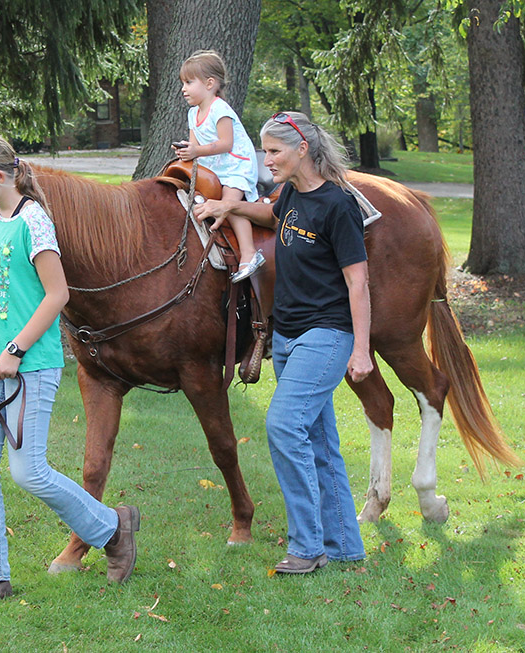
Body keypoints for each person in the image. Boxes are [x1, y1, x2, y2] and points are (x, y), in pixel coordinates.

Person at [0, 133, 139, 599]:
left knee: (29, 472)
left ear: (1, 177)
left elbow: (57, 294)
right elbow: (5, 272)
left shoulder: (35, 222)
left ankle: (112, 529)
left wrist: (17, 349)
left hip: (29, 364)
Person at [193, 112, 372, 574]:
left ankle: (307, 546)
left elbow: (358, 283)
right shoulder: (290, 192)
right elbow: (270, 214)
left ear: (302, 151)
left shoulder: (339, 206)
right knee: (319, 441)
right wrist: (227, 208)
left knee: (284, 426)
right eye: (265, 151)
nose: (266, 159)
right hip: (288, 338)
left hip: (327, 336)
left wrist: (361, 348)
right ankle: (345, 547)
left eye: (274, 151)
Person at [173, 49, 264, 283]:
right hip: (214, 168)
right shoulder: (193, 113)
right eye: (183, 83)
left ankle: (249, 253)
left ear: (210, 83)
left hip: (236, 166)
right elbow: (195, 146)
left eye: (189, 82)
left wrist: (196, 151)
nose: (183, 88)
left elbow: (226, 143)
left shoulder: (219, 109)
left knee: (229, 205)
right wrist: (186, 151)